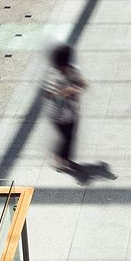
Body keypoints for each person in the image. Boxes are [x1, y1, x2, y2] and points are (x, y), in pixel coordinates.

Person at [42, 43, 87, 172]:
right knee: (65, 138)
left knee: (70, 136)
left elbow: (81, 82)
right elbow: (50, 95)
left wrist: (79, 86)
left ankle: (65, 159)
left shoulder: (72, 69)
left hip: (72, 112)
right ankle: (59, 159)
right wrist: (65, 93)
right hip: (58, 115)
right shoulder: (52, 76)